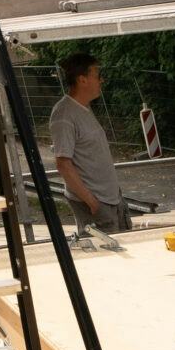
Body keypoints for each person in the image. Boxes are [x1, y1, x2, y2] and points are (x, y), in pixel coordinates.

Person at [48, 53, 128, 233]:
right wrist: (92, 203)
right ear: (82, 80)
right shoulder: (64, 115)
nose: (102, 80)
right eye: (97, 75)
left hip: (110, 199)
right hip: (97, 204)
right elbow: (63, 164)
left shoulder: (83, 108)